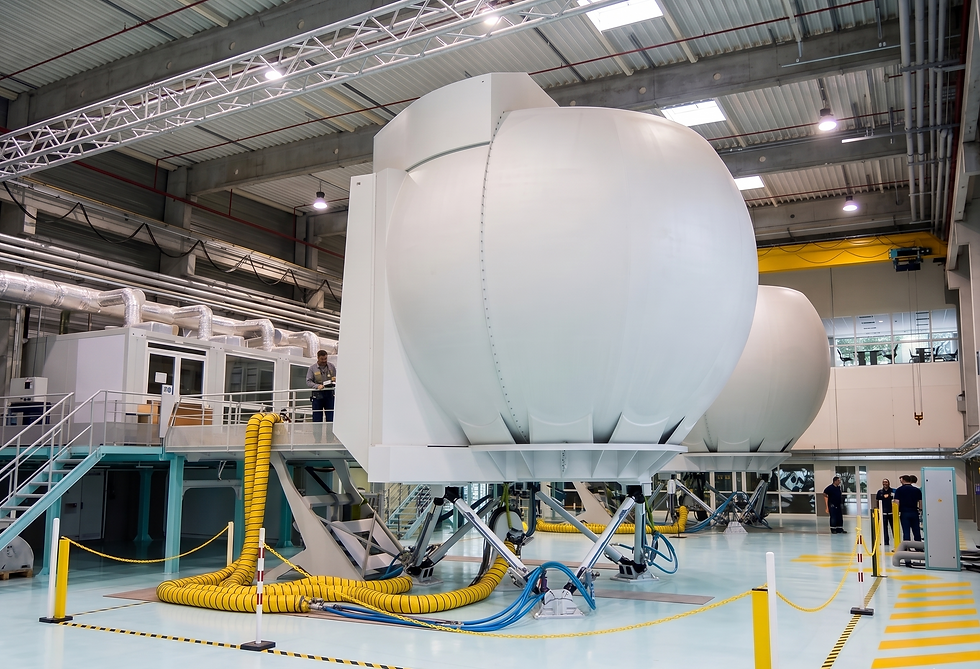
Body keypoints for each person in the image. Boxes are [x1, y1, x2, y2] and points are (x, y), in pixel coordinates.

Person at [306, 349, 336, 422]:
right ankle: (317, 430)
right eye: (322, 359)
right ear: (318, 358)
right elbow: (308, 381)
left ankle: (330, 430)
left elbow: (336, 377)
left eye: (325, 358)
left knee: (331, 417)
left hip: (329, 395)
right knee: (317, 418)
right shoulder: (312, 368)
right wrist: (317, 386)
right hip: (317, 395)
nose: (324, 361)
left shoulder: (331, 366)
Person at [894, 475, 922, 542]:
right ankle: (918, 546)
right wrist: (920, 510)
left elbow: (896, 502)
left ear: (903, 480)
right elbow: (920, 501)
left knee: (906, 531)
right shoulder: (917, 490)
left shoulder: (899, 490)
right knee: (916, 530)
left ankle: (907, 546)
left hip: (904, 513)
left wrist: (896, 513)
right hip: (914, 512)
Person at [875, 479, 895, 545]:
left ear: (889, 483)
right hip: (883, 513)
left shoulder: (893, 491)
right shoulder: (880, 492)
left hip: (892, 513)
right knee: (884, 528)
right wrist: (878, 510)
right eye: (883, 482)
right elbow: (877, 501)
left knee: (894, 527)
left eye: (886, 482)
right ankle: (886, 541)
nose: (885, 483)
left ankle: (896, 540)